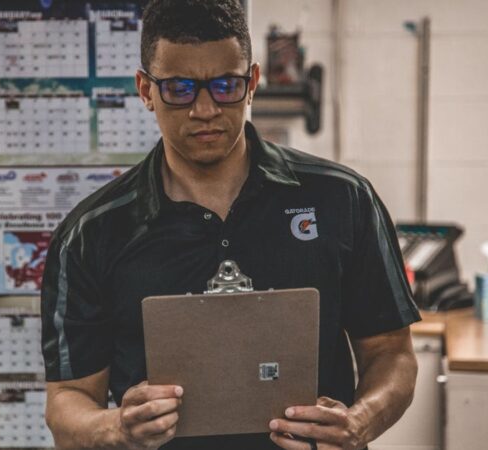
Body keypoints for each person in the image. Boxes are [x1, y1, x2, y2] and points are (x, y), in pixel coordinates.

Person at [41, 1, 420, 449]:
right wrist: (117, 428)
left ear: (253, 83)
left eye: (225, 86)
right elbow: (67, 401)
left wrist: (360, 421)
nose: (205, 109)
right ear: (146, 90)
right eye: (180, 88)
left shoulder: (342, 199)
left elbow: (392, 354)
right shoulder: (91, 233)